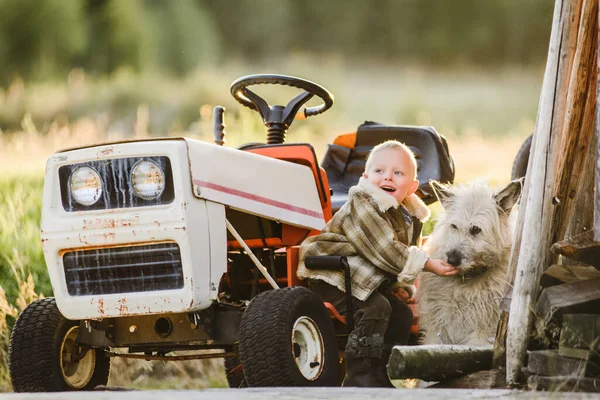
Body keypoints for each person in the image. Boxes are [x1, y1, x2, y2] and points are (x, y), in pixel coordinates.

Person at [297, 140, 458, 387]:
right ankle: (359, 375)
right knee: (377, 308)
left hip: (360, 277)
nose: (388, 178)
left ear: (412, 186)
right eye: (379, 171)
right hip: (331, 273)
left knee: (401, 313)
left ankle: (381, 371)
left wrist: (399, 284)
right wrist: (427, 264)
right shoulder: (362, 204)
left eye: (398, 173)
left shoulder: (405, 214)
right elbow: (384, 250)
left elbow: (394, 256)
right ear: (366, 176)